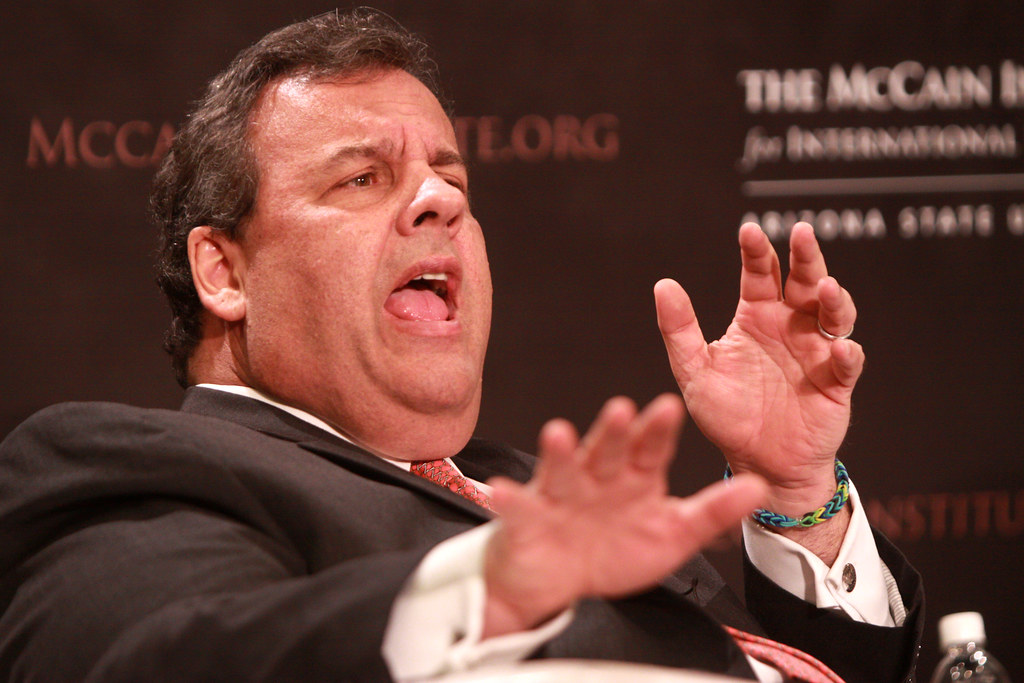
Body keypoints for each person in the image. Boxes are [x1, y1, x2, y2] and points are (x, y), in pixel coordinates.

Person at [0, 9, 922, 682]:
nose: (441, 200)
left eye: (450, 176)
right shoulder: (132, 468)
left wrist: (797, 492)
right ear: (223, 273)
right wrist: (487, 590)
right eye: (362, 176)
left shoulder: (521, 485)